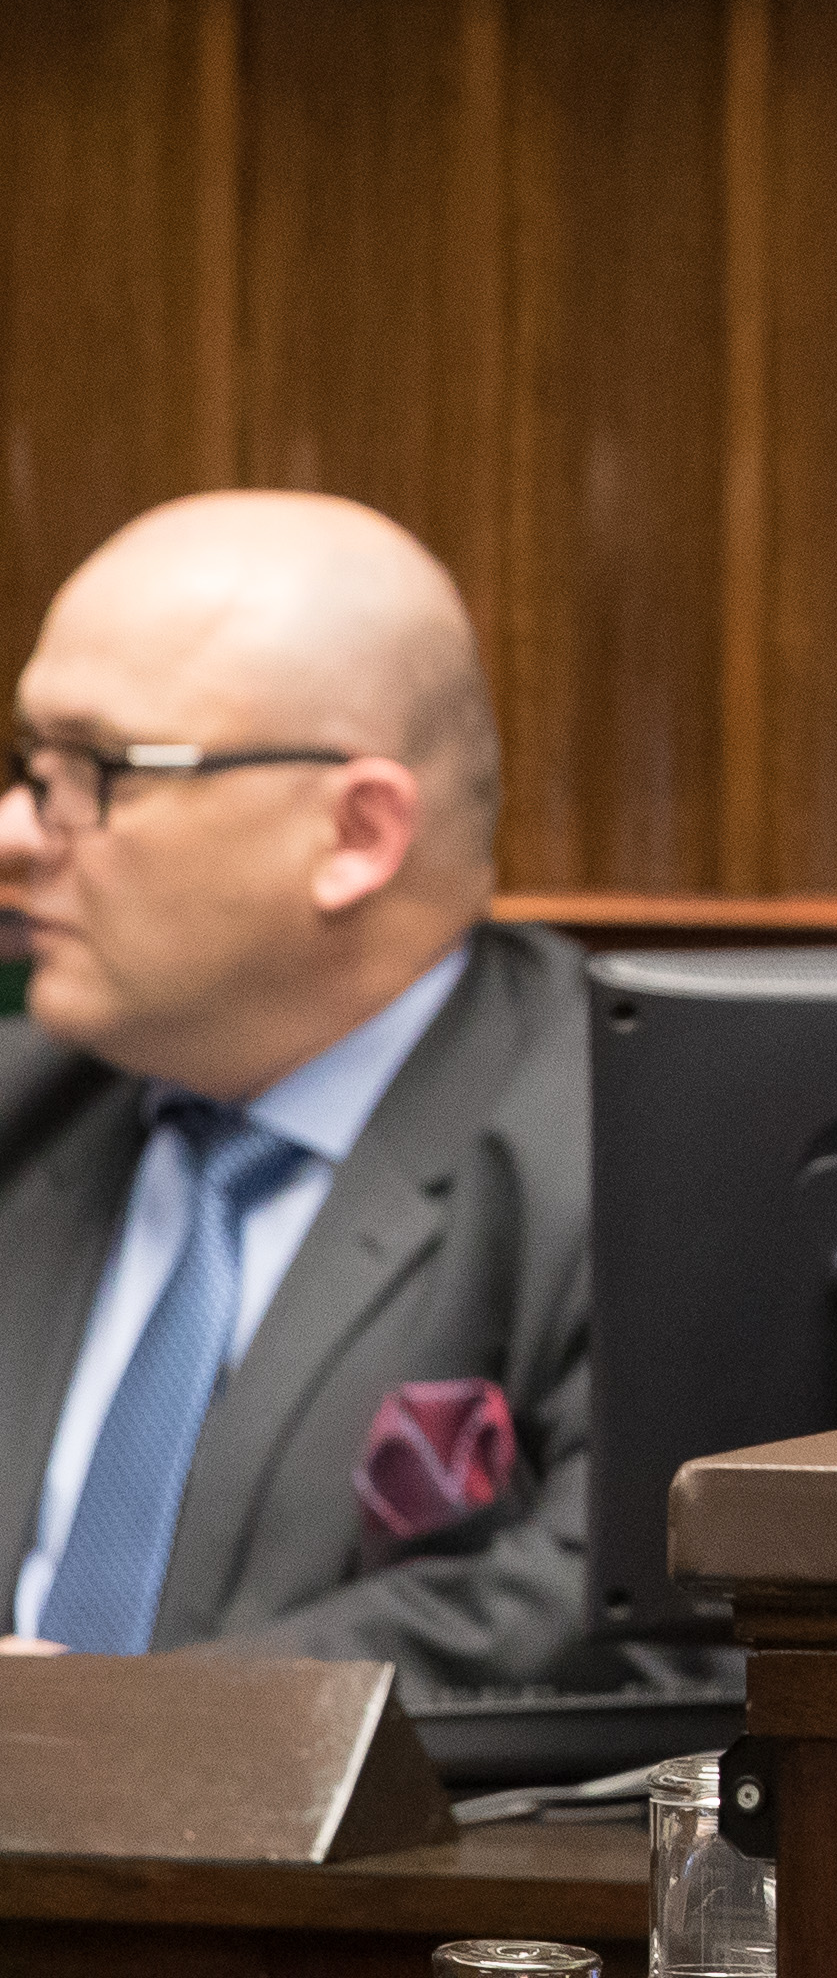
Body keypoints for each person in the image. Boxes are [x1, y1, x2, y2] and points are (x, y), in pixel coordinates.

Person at [2, 494, 652, 1690]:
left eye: (96, 770)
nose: (15, 833)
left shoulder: (635, 1144)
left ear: (355, 831)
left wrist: (130, 1735)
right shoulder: (29, 1110)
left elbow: (635, 1617)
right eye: (28, 767)